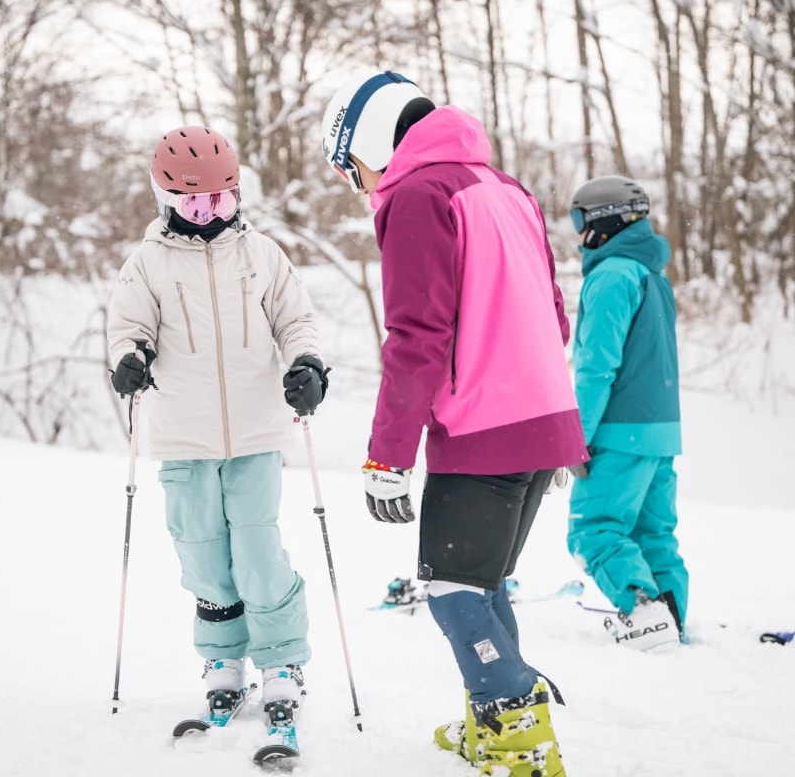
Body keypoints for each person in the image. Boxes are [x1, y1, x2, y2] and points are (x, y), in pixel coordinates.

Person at [321, 71, 587, 777]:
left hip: (483, 424)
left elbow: (417, 337)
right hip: (545, 420)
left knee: (451, 588)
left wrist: (387, 456)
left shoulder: (417, 195)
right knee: (483, 581)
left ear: (374, 139)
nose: (358, 183)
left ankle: (517, 735)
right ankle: (493, 721)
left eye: (352, 165)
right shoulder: (504, 189)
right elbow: (556, 314)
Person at [106, 125, 329, 721]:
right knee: (202, 557)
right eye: (194, 203)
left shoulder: (260, 254)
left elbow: (295, 320)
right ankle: (223, 660)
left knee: (258, 552)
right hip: (184, 434)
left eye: (221, 201)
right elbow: (130, 327)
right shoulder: (146, 263)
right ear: (165, 199)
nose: (208, 216)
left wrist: (306, 363)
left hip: (255, 431)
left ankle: (281, 661)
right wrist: (130, 359)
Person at [566, 174, 688, 652]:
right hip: (660, 430)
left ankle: (644, 614)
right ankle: (671, 618)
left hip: (621, 431)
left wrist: (575, 437)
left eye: (579, 221)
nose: (577, 235)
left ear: (602, 222)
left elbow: (597, 367)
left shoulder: (612, 276)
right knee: (652, 532)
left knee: (595, 530)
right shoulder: (652, 276)